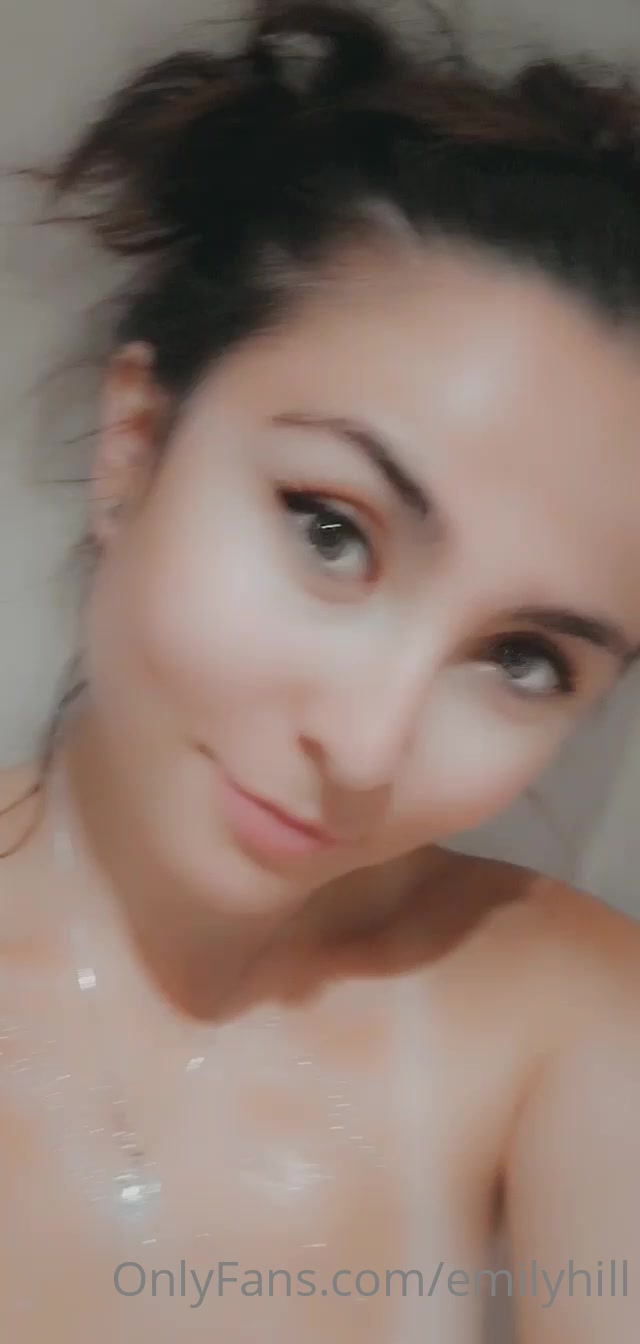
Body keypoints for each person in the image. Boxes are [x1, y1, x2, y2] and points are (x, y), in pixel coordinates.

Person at [1, 0, 639, 1339]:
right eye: (331, 530)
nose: (367, 743)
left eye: (522, 658)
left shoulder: (575, 1024)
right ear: (134, 443)